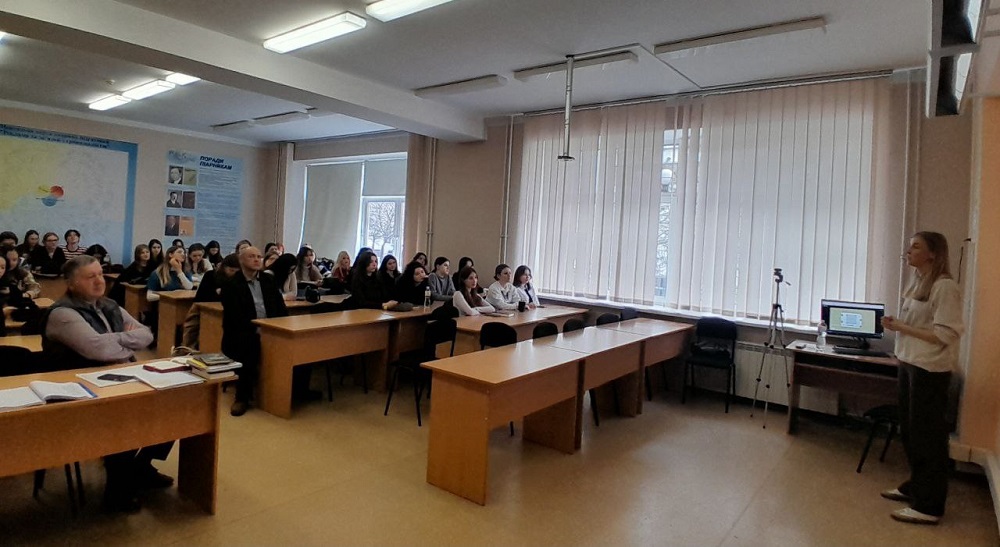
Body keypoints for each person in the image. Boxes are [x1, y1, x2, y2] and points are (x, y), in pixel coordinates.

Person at [40, 256, 167, 513]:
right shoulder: (63, 313)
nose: (100, 281)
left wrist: (115, 341)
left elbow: (146, 334)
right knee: (123, 416)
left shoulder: (110, 305)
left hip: (117, 377)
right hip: (80, 390)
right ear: (72, 284)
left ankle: (141, 467)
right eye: (91, 277)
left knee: (172, 404)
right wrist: (124, 341)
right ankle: (117, 491)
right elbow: (97, 349)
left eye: (100, 274)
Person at [880, 232, 964, 525]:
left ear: (933, 253)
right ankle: (916, 486)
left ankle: (929, 506)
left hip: (929, 369)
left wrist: (902, 327)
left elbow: (945, 334)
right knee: (910, 432)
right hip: (909, 363)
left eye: (916, 247)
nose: (909, 251)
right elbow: (917, 323)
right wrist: (897, 324)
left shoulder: (945, 287)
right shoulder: (918, 282)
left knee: (928, 438)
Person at [221, 246, 288, 416]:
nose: (257, 259)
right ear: (241, 260)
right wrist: (257, 330)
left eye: (259, 256)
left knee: (297, 343)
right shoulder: (231, 284)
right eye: (252, 256)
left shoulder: (268, 280)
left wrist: (282, 328)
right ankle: (242, 397)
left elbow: (281, 308)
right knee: (249, 346)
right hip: (243, 332)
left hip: (271, 330)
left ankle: (296, 391)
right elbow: (234, 318)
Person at [181, 253, 240, 350]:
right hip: (201, 306)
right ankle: (186, 348)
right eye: (231, 270)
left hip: (225, 309)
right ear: (224, 267)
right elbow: (203, 296)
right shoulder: (211, 275)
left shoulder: (239, 278)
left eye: (237, 271)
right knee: (191, 326)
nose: (233, 273)